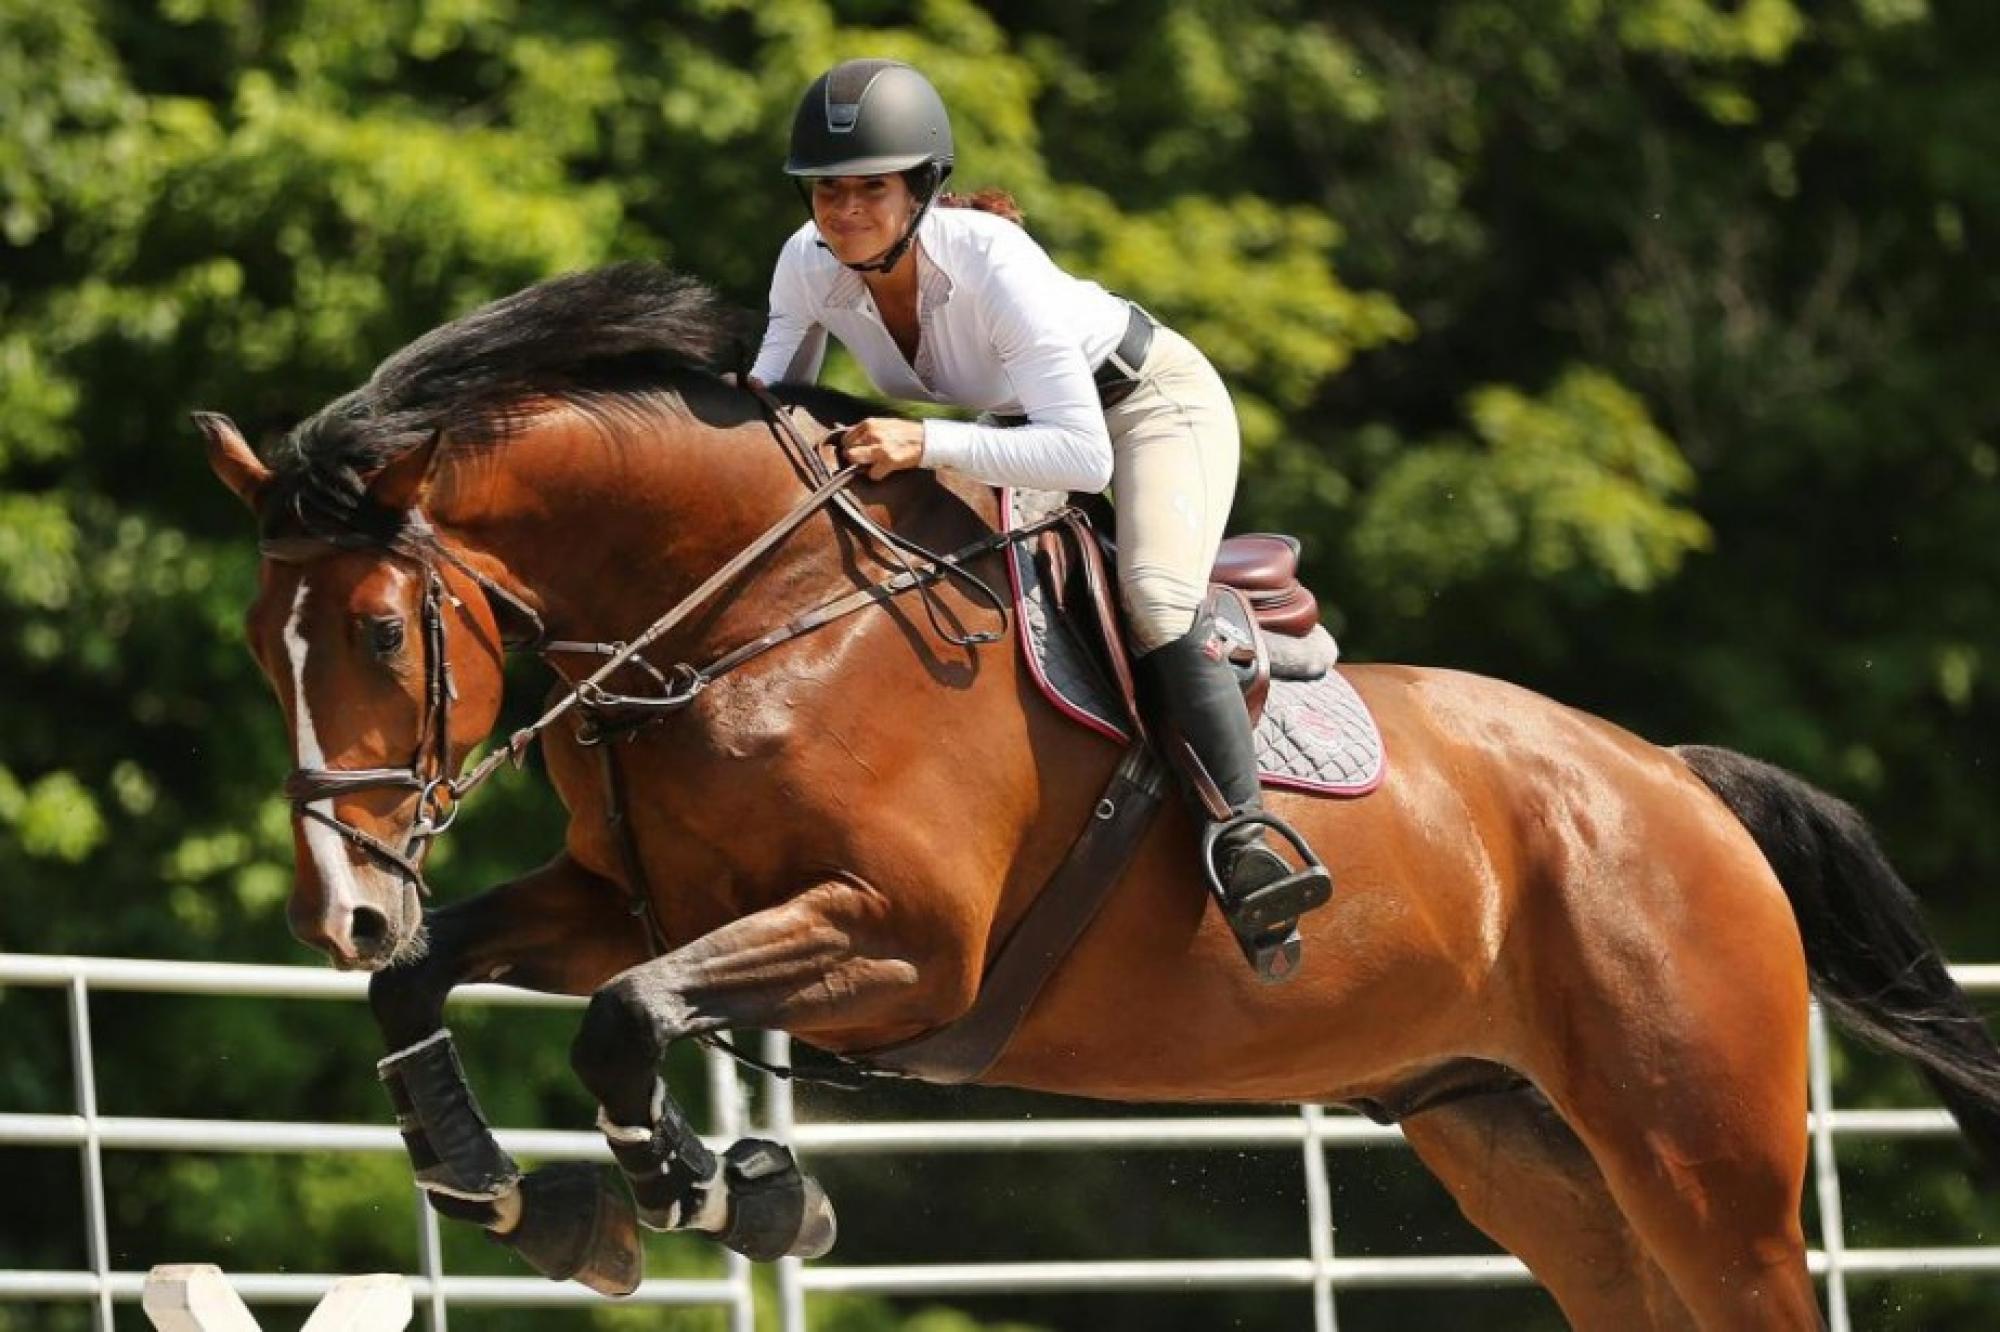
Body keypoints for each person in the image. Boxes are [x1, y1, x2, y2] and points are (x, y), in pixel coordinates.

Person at [751, 58, 1330, 971]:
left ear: (922, 188)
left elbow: (1083, 454)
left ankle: (1248, 838)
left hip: (1144, 405)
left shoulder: (992, 261)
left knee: (1147, 593)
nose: (844, 209)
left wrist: (925, 444)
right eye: (828, 189)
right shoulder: (806, 264)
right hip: (1018, 424)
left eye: (871, 187)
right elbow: (772, 402)